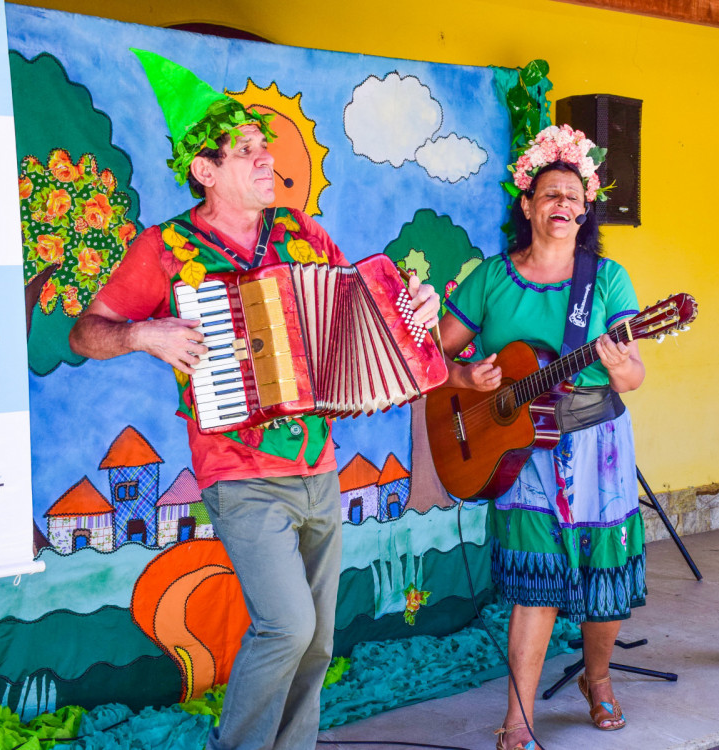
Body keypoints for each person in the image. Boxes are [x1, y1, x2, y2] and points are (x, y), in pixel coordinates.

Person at [69, 50, 439, 750]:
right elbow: (87, 331)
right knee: (287, 626)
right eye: (244, 150)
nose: (265, 157)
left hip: (318, 467)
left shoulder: (303, 234)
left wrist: (415, 307)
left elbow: (362, 312)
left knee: (318, 638)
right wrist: (144, 333)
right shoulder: (166, 249)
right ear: (205, 171)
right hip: (238, 472)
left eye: (263, 145)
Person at [438, 125, 647, 750]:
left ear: (584, 213)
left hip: (597, 438)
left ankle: (598, 680)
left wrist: (618, 363)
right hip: (518, 450)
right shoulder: (491, 278)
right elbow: (430, 358)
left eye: (573, 198)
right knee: (535, 583)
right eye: (550, 194)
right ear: (527, 205)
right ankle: (517, 720)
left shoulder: (606, 279)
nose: (562, 204)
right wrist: (465, 377)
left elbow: (634, 376)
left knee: (603, 573)